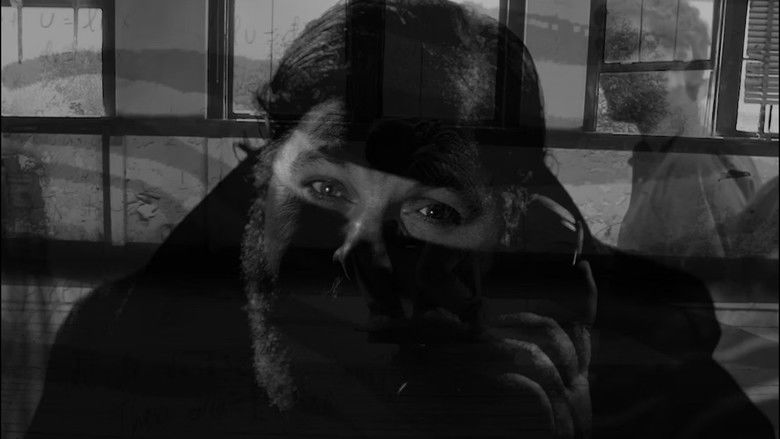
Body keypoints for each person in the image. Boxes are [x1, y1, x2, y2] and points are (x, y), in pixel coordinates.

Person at [26, 1, 773, 438]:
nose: (356, 256)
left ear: (508, 230)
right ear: (263, 178)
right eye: (325, 188)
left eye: (431, 210)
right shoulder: (123, 336)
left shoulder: (643, 376)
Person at [601, 0, 762, 264]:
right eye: (606, 52)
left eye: (625, 48)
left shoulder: (693, 167)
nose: (608, 69)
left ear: (681, 60)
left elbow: (708, 284)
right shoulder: (665, 155)